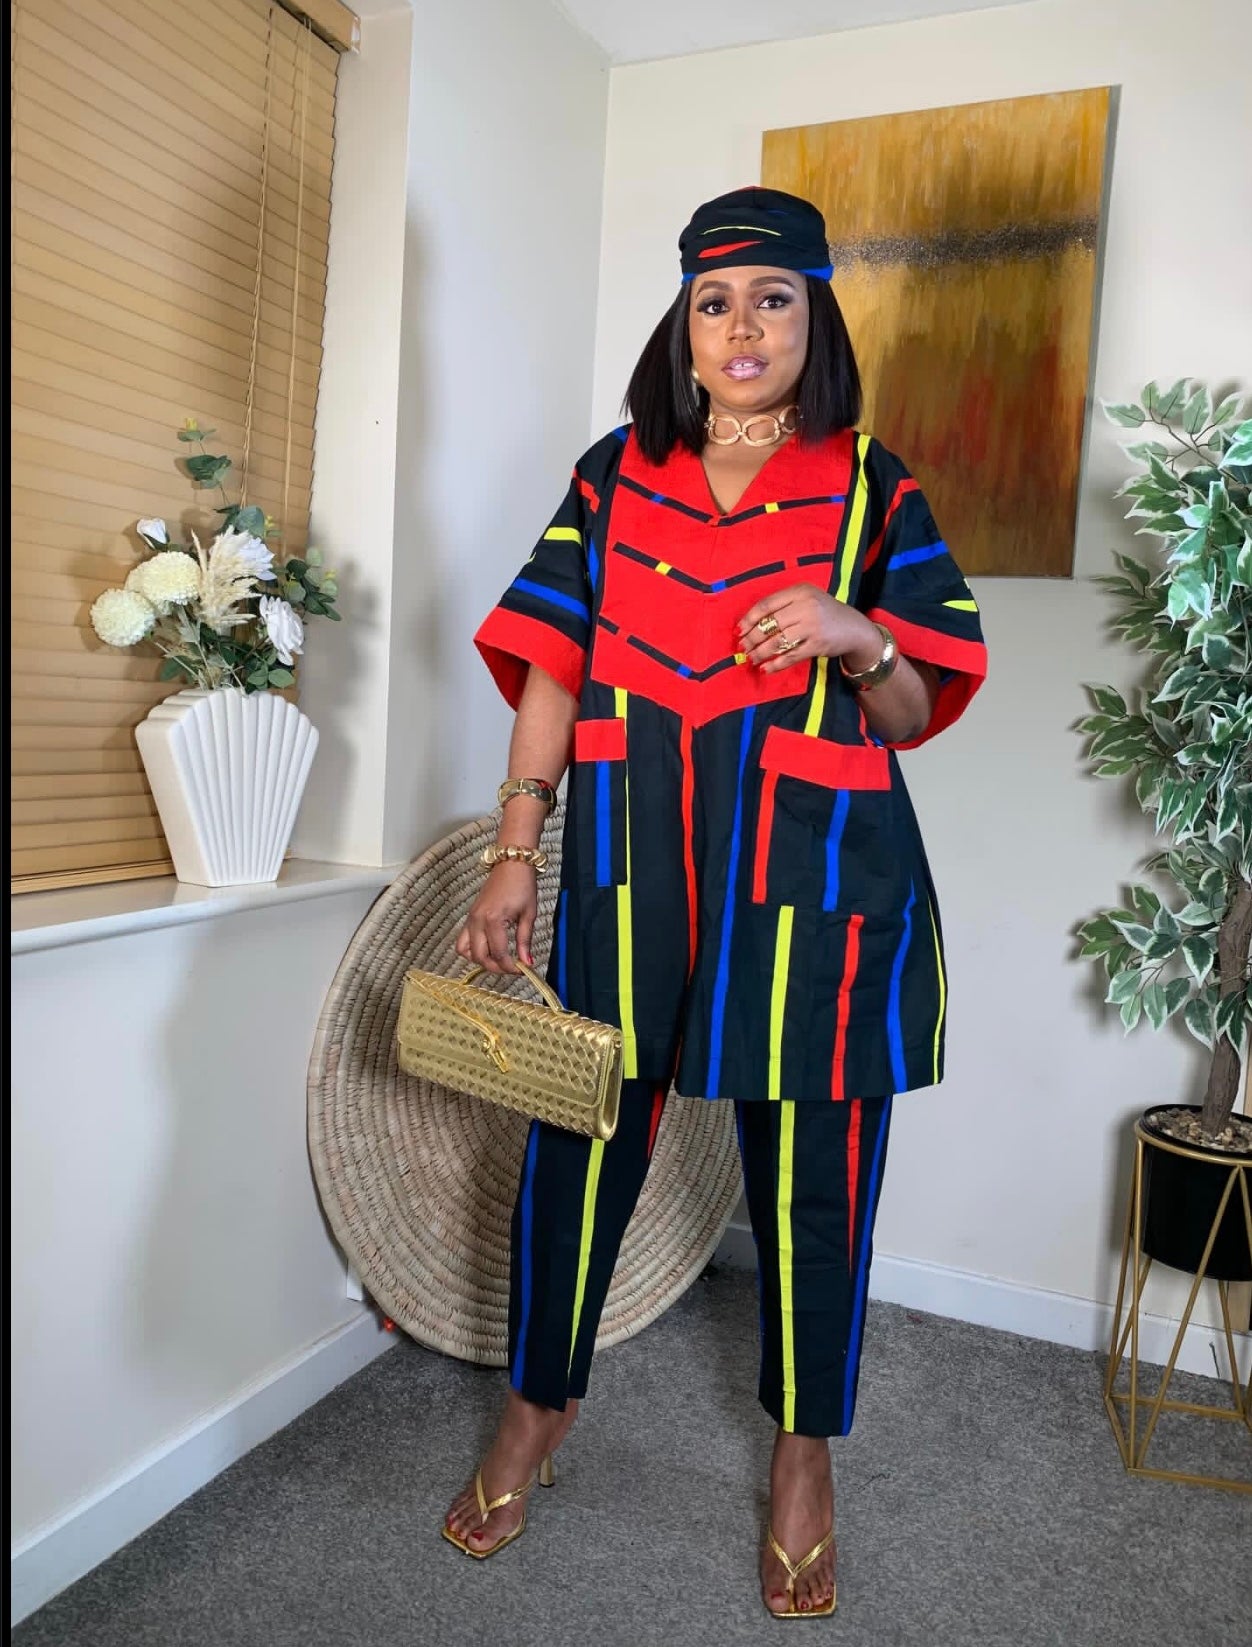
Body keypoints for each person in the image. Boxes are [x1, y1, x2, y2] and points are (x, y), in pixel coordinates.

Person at [442, 186, 987, 1618]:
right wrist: (516, 848)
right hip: (632, 866)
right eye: (714, 302)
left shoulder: (873, 487)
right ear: (683, 326)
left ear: (817, 317)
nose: (743, 328)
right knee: (581, 1140)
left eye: (773, 298)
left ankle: (805, 1453)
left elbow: (917, 706)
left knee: (817, 1174)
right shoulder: (617, 474)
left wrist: (858, 633)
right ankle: (536, 1410)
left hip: (815, 876)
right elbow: (553, 663)